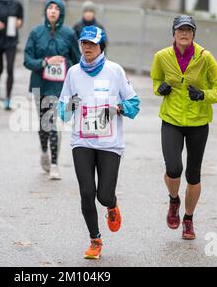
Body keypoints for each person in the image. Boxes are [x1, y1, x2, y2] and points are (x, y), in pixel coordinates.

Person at [59, 26, 140, 259]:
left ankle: (112, 205)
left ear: (101, 46)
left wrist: (119, 108)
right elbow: (62, 112)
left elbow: (135, 104)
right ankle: (95, 240)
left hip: (109, 144)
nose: (87, 48)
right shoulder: (73, 73)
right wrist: (69, 106)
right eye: (84, 43)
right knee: (87, 192)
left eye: (92, 44)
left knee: (103, 196)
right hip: (82, 141)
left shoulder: (115, 71)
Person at [150, 15, 217, 240]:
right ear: (173, 33)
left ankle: (188, 219)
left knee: (193, 175)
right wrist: (160, 88)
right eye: (180, 30)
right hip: (171, 119)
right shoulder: (162, 57)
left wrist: (203, 95)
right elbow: (155, 80)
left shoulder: (205, 57)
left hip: (198, 122)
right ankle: (174, 200)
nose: (184, 33)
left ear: (194, 34)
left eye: (188, 30)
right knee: (173, 168)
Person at [24, 0, 80, 180]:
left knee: (55, 124)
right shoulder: (36, 33)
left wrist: (67, 64)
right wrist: (45, 62)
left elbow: (77, 60)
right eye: (50, 8)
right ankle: (43, 151)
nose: (53, 11)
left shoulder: (69, 34)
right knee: (43, 124)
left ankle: (55, 164)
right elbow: (27, 60)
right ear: (46, 12)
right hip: (40, 84)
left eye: (57, 8)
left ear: (61, 12)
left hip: (60, 87)